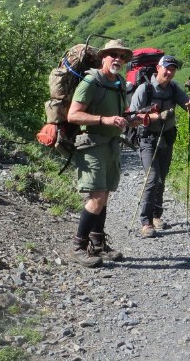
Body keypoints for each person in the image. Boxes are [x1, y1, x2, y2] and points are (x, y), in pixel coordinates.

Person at [66, 39, 139, 267]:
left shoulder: (118, 82)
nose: (118, 59)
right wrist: (104, 119)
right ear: (103, 57)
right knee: (96, 197)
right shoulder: (90, 81)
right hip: (92, 146)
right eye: (113, 55)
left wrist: (129, 120)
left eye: (122, 56)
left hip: (110, 144)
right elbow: (73, 115)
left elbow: (118, 114)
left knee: (104, 195)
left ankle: (98, 244)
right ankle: (78, 247)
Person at [128, 54, 190, 238]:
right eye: (166, 68)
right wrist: (159, 117)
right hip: (147, 138)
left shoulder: (174, 88)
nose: (169, 72)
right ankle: (146, 222)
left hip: (167, 137)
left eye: (173, 69)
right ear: (158, 68)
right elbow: (133, 118)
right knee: (152, 178)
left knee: (162, 178)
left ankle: (157, 215)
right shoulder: (145, 89)